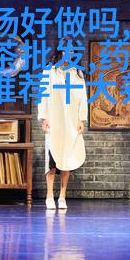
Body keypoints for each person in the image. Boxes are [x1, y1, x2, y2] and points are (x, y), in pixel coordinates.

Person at [37, 48, 87, 210]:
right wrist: (44, 117)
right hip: (54, 121)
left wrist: (81, 119)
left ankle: (62, 196)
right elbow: (43, 95)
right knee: (52, 160)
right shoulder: (50, 72)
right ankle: (49, 195)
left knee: (67, 159)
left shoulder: (77, 73)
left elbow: (83, 98)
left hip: (71, 122)